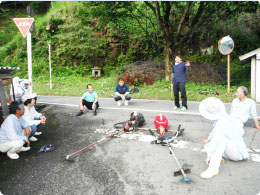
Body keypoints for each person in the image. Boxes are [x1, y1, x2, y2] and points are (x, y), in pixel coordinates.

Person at [199, 97, 249, 179]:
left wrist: (209, 155)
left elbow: (217, 138)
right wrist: (208, 139)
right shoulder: (220, 118)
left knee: (220, 140)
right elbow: (214, 132)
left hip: (237, 153)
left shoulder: (222, 122)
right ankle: (217, 158)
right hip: (229, 151)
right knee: (207, 143)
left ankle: (213, 168)